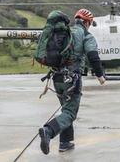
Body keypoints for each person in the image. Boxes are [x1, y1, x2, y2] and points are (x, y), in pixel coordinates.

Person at [39, 9, 106, 155]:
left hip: (56, 78)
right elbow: (93, 56)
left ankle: (65, 142)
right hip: (71, 79)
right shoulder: (86, 35)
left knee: (66, 109)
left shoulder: (65, 33)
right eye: (90, 23)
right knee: (70, 112)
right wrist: (100, 76)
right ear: (87, 22)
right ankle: (48, 131)